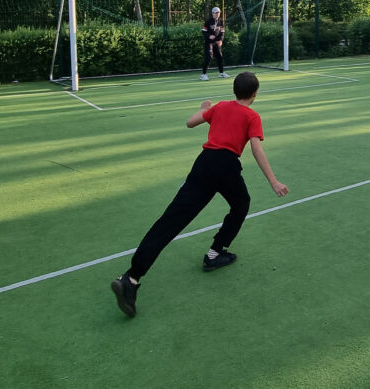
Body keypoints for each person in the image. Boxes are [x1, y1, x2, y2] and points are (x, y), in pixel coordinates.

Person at [111, 71, 289, 317]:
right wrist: (274, 181)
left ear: (234, 90)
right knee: (241, 205)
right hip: (226, 167)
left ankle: (131, 278)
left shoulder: (220, 107)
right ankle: (215, 253)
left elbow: (190, 122)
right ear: (255, 94)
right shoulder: (252, 116)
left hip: (203, 164)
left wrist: (205, 109)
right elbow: (256, 149)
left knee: (171, 220)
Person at [200, 6, 228, 81]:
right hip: (209, 43)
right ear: (212, 13)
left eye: (218, 13)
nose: (217, 14)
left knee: (220, 57)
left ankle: (221, 73)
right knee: (209, 57)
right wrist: (209, 36)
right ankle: (203, 74)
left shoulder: (221, 21)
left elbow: (222, 32)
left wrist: (221, 40)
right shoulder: (208, 21)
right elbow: (203, 31)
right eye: (215, 13)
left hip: (217, 42)